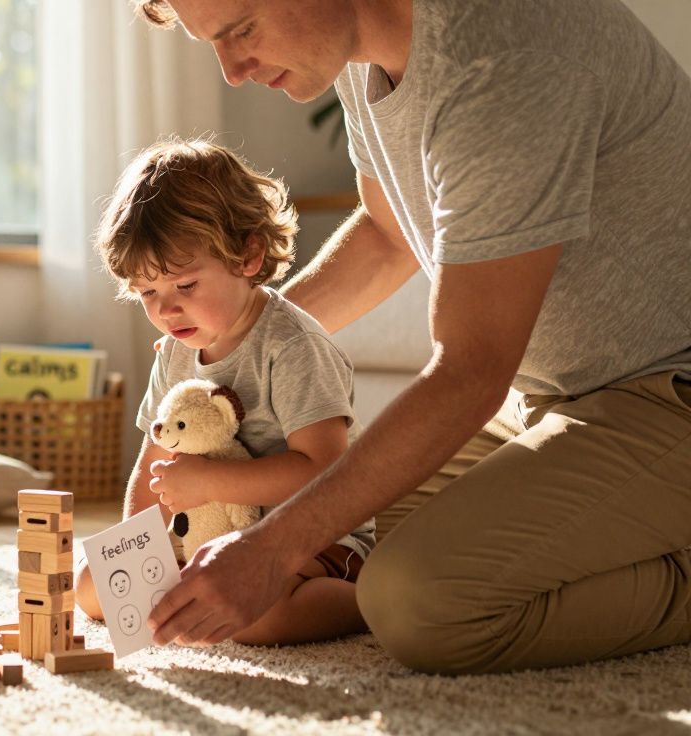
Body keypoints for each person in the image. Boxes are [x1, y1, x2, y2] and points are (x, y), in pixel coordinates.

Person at [134, 0, 691, 674]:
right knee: (350, 541)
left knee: (412, 601)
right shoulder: (353, 49)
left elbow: (471, 368)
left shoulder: (499, 52)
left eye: (242, 29)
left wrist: (272, 550)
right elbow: (387, 235)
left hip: (662, 396)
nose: (230, 70)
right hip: (543, 401)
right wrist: (234, 346)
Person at [74, 136, 375, 646]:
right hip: (209, 532)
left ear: (248, 256)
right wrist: (139, 549)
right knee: (87, 587)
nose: (167, 311)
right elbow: (153, 466)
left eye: (185, 287)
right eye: (149, 293)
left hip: (311, 539)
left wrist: (212, 482)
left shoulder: (293, 347)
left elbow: (323, 473)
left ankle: (368, 603)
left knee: (258, 622)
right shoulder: (173, 350)